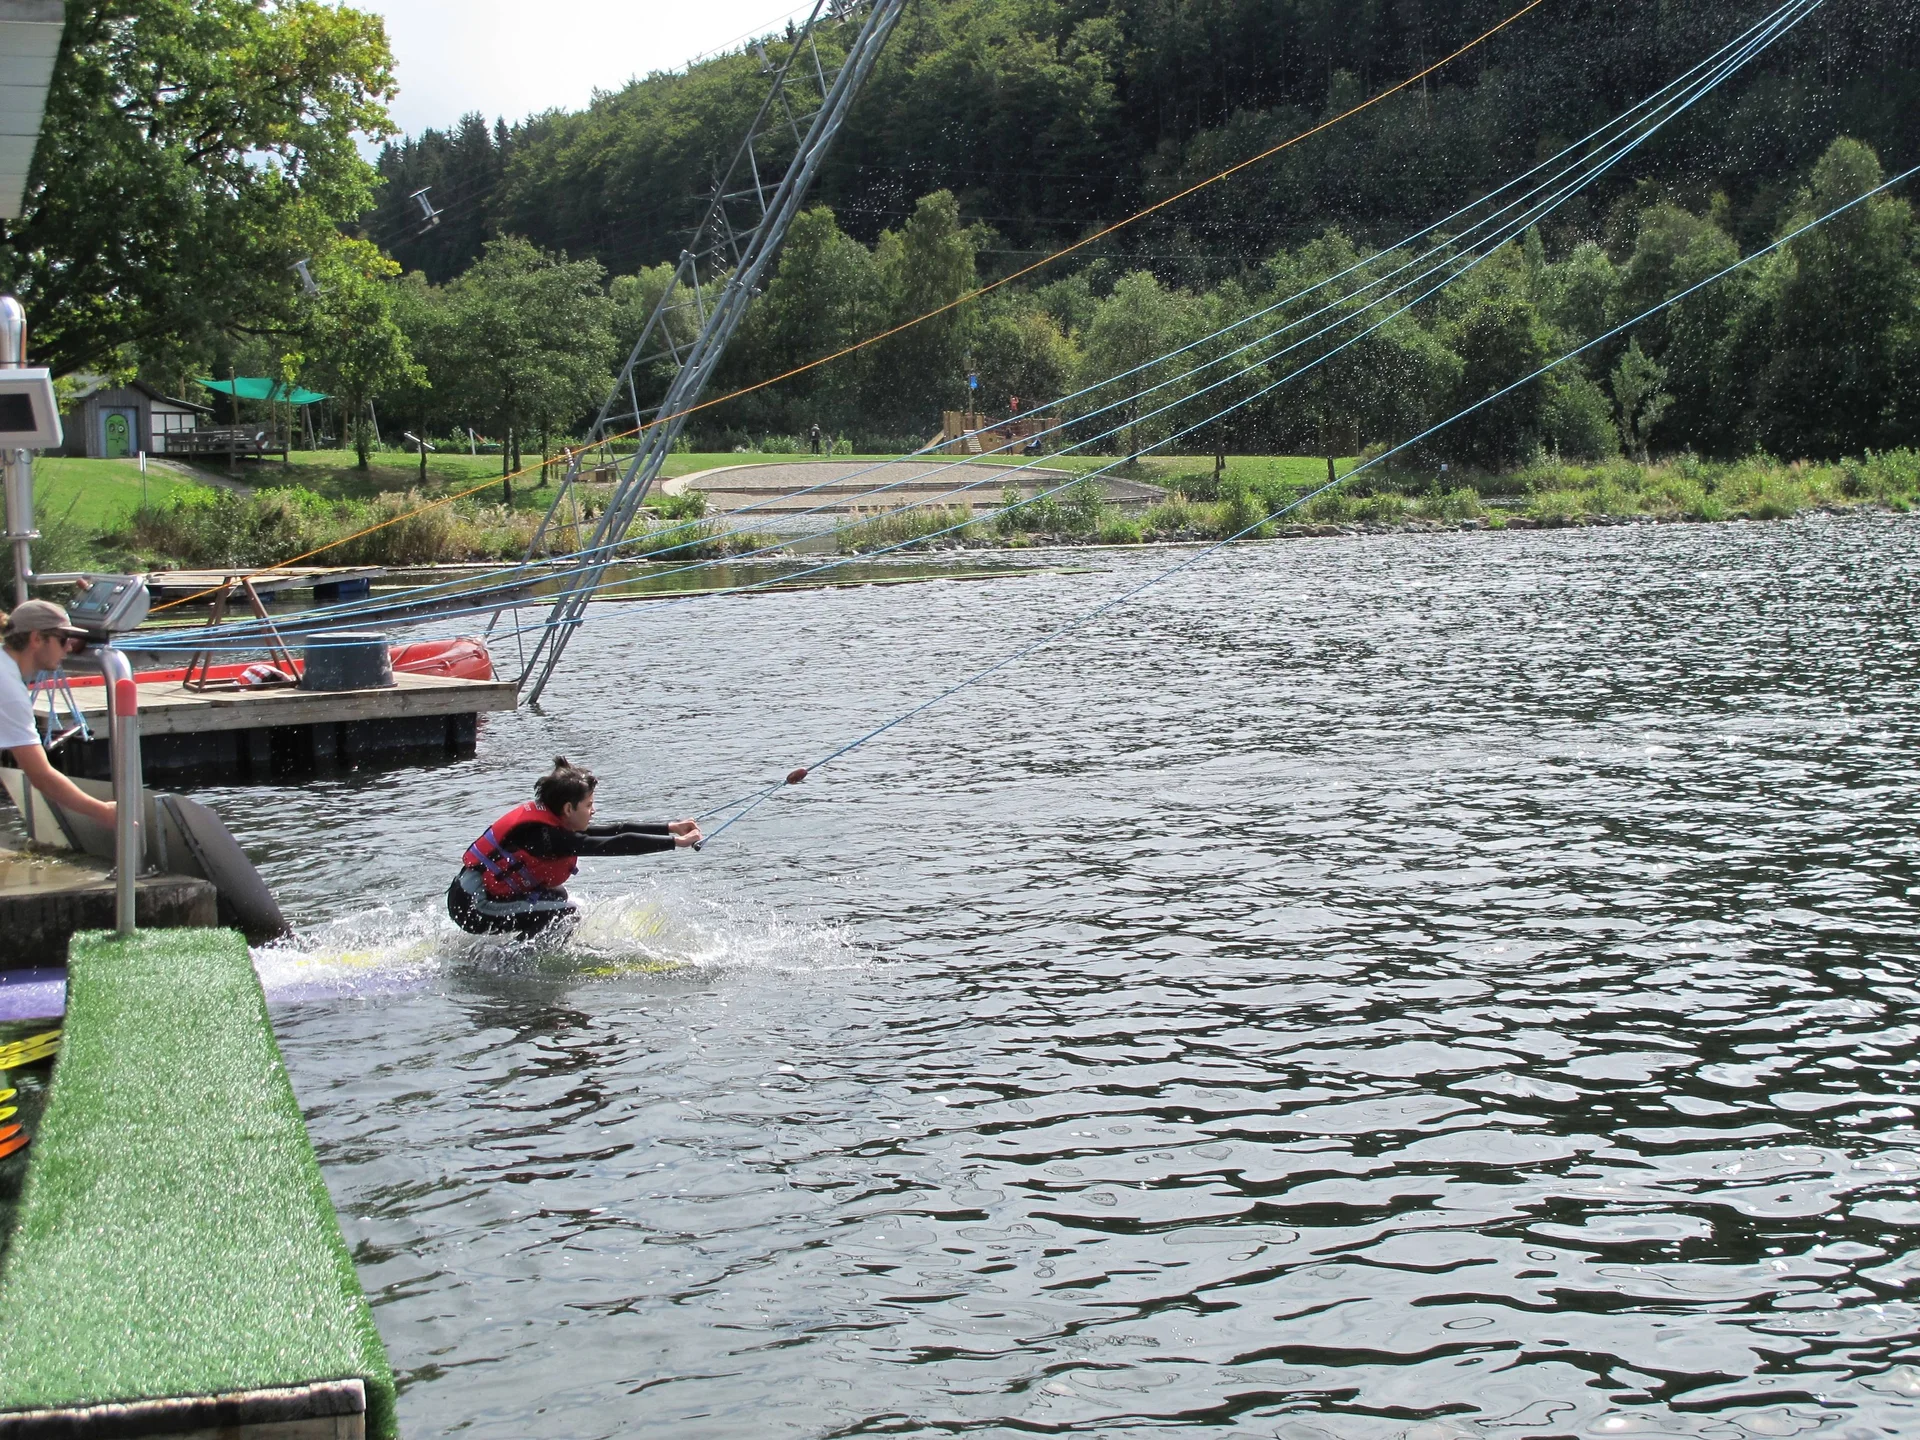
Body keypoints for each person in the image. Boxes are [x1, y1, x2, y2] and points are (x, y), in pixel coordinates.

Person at [448, 756, 701, 937]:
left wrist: (670, 827)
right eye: (589, 805)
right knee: (565, 914)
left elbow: (617, 830)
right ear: (569, 808)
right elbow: (615, 845)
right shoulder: (548, 837)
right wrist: (676, 844)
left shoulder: (556, 823)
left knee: (556, 897)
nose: (593, 811)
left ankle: (514, 951)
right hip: (473, 907)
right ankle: (508, 967)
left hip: (474, 895)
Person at [1, 601, 114, 829]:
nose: (69, 648)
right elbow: (41, 776)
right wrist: (103, 811)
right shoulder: (9, 689)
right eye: (63, 639)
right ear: (36, 639)